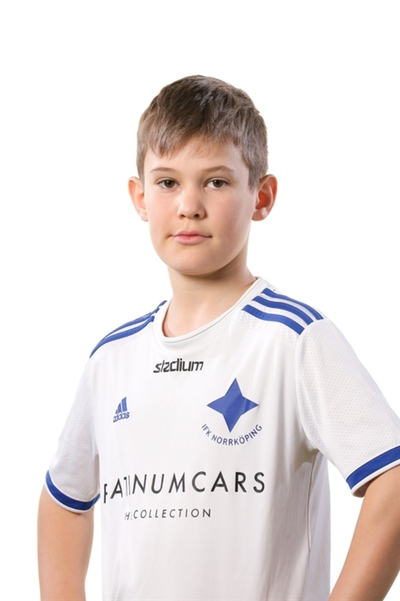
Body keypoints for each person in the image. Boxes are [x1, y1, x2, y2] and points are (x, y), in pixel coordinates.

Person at [37, 75, 400, 601]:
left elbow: (392, 479)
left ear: (262, 196)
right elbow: (64, 500)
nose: (189, 205)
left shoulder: (293, 340)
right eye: (167, 182)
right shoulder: (111, 359)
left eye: (216, 182)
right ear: (140, 197)